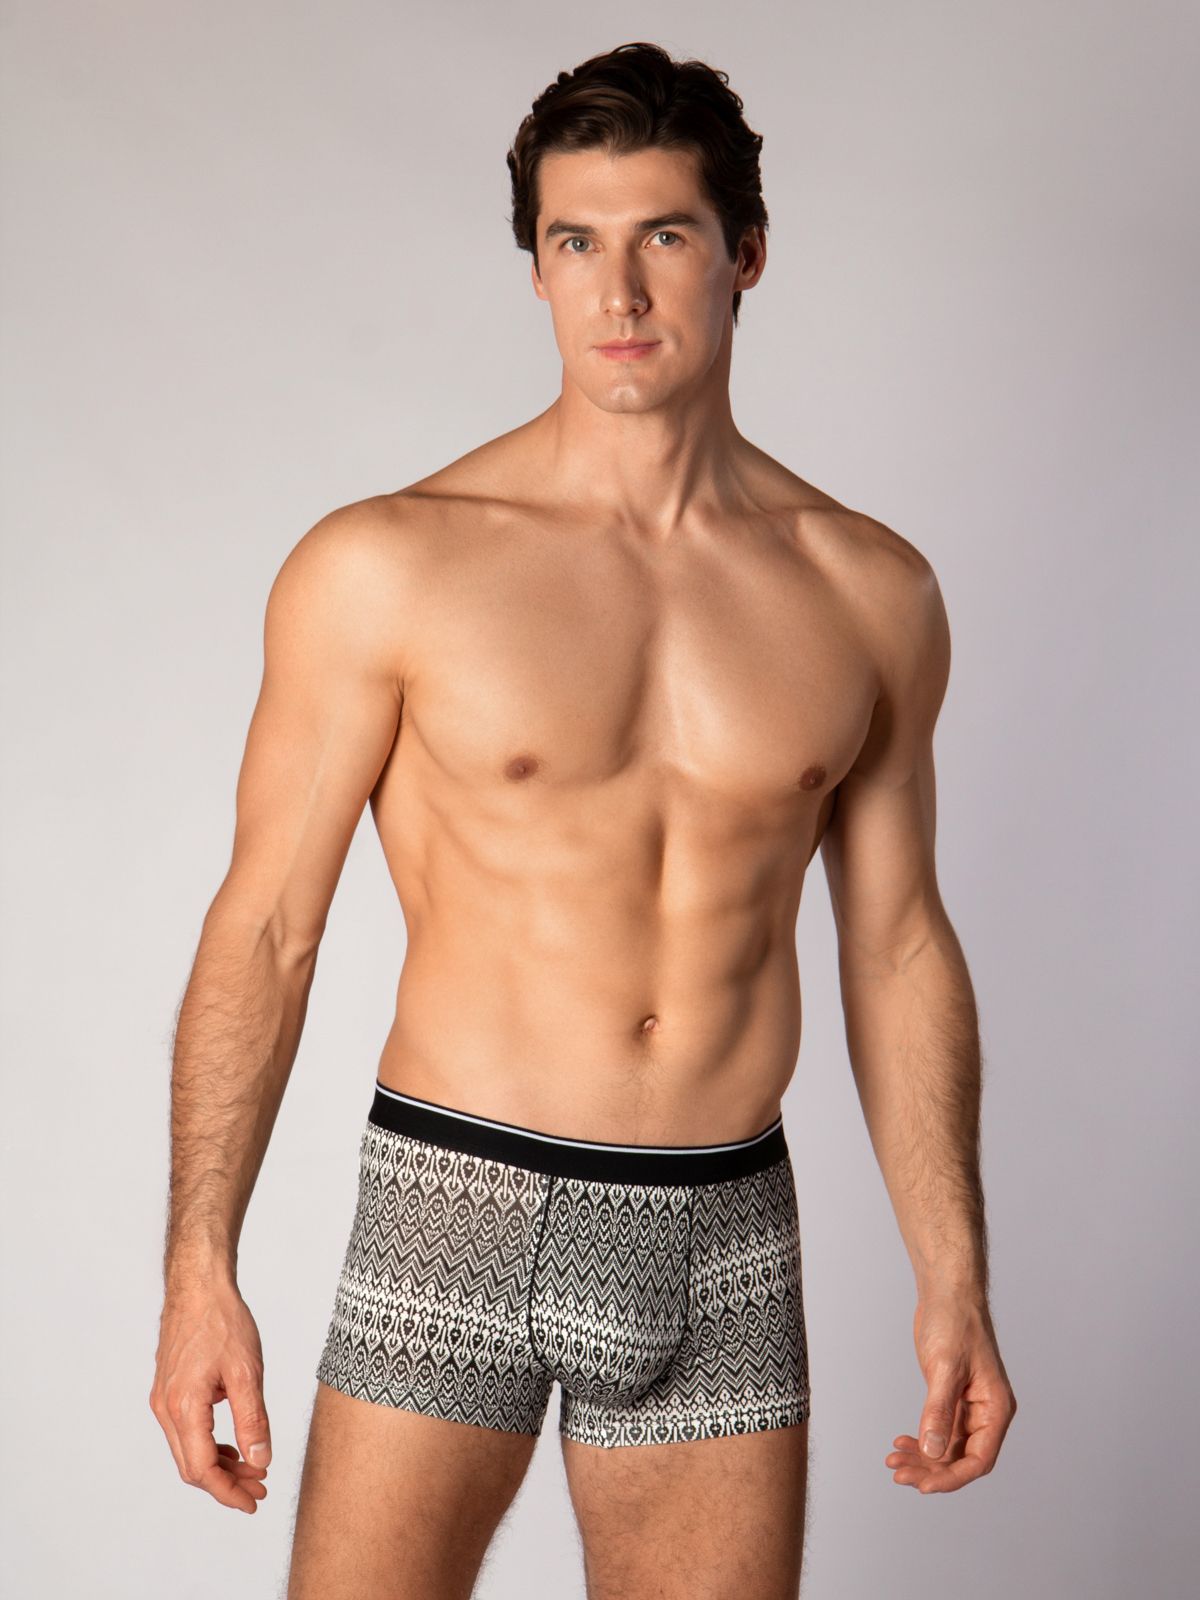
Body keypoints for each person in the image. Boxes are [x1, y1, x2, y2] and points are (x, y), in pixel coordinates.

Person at [149, 38, 1016, 1600]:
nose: (617, 292)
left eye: (664, 236)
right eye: (575, 242)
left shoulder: (868, 593)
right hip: (457, 1210)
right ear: (537, 267)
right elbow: (267, 928)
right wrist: (197, 1267)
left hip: (723, 1226)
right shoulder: (390, 566)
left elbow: (896, 946)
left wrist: (955, 1272)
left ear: (746, 254)